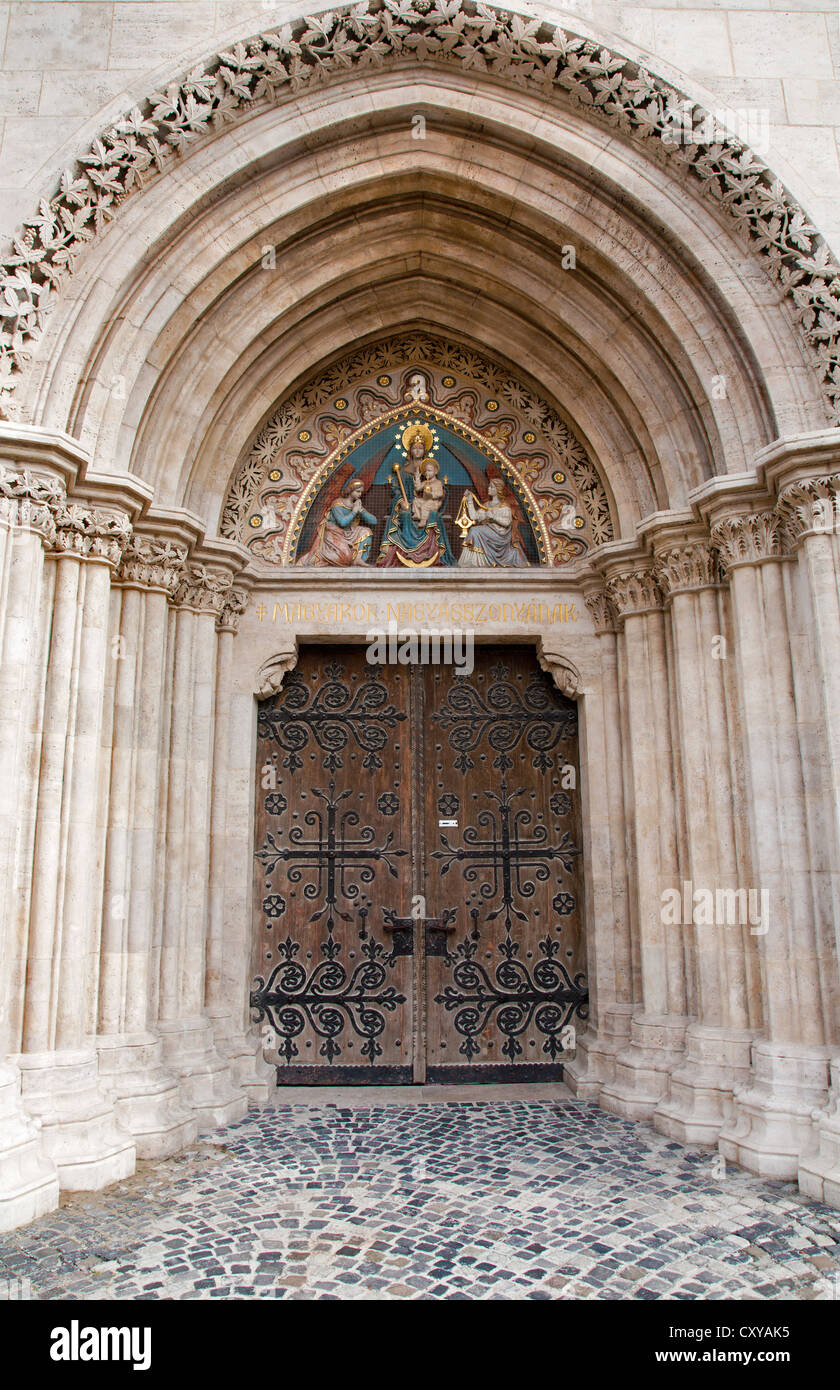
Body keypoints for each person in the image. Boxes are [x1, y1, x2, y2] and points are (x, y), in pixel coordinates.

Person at [377, 424, 455, 567]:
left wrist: (437, 492)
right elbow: (397, 490)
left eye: (420, 448)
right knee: (405, 514)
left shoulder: (429, 470)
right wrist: (401, 502)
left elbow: (438, 489)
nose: (417, 450)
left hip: (426, 504)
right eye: (414, 448)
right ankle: (406, 552)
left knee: (432, 515)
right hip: (409, 504)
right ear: (409, 450)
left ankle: (430, 552)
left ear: (425, 451)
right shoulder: (402, 472)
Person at [298, 478, 377, 566]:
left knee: (366, 531)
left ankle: (358, 559)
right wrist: (354, 511)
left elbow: (374, 521)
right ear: (350, 490)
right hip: (334, 533)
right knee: (346, 559)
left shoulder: (355, 505)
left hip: (348, 533)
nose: (360, 494)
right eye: (358, 491)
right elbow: (342, 523)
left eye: (361, 492)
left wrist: (361, 511)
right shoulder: (337, 503)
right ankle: (321, 555)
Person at [457, 476, 529, 567]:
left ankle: (479, 562)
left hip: (500, 535)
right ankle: (475, 562)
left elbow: (507, 523)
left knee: (475, 531)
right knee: (474, 530)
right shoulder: (486, 504)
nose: (488, 489)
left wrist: (493, 517)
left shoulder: (505, 506)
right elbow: (474, 516)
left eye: (491, 487)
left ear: (498, 489)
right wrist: (470, 500)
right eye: (489, 486)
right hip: (489, 531)